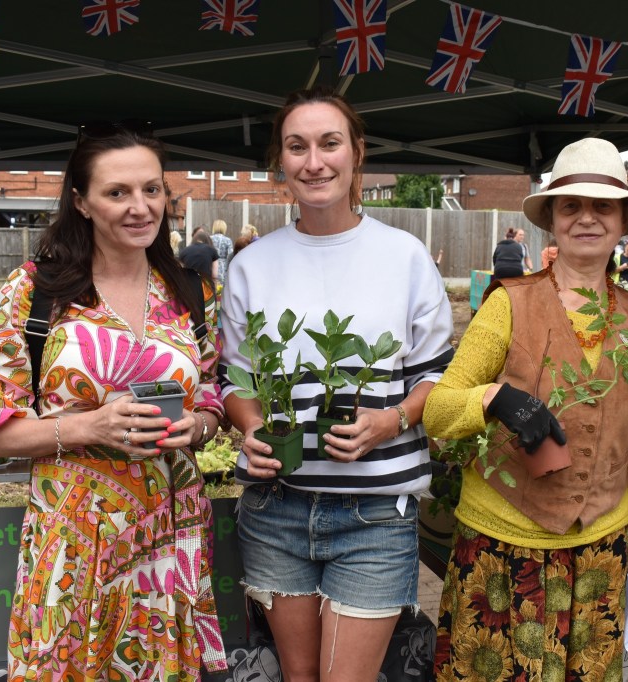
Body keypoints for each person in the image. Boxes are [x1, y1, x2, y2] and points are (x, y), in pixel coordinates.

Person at [0, 121, 228, 679]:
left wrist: (198, 426)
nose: (140, 207)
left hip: (169, 533)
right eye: (117, 192)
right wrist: (88, 427)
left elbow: (210, 397)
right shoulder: (36, 291)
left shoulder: (191, 292)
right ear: (81, 201)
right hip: (74, 540)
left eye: (151, 189)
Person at [219, 85, 454, 682]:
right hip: (275, 506)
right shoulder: (251, 264)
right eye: (297, 147)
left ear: (357, 152)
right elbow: (234, 379)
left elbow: (437, 375)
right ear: (280, 161)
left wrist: (392, 420)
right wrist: (252, 427)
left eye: (329, 143)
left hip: (375, 512)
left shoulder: (404, 256)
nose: (314, 161)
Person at [424, 137, 628, 680]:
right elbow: (438, 409)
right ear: (551, 220)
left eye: (603, 206)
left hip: (599, 550)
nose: (587, 217)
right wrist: (493, 398)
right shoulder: (508, 303)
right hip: (503, 547)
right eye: (571, 205)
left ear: (623, 221)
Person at [211, 218, 234, 284]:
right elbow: (230, 255)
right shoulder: (227, 240)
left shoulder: (209, 239)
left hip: (211, 266)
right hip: (223, 267)